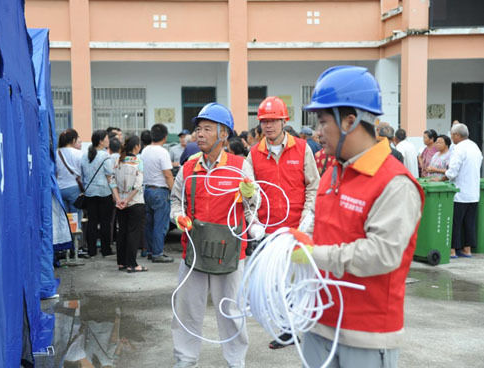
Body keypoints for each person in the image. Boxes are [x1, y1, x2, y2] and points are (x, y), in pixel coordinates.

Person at [291, 65, 424, 368]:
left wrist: (314, 255)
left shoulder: (395, 183)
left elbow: (382, 253)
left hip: (366, 335)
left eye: (323, 122)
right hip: (319, 323)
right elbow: (321, 230)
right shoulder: (332, 173)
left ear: (350, 121)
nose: (317, 132)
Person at [170, 102, 259, 368]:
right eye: (198, 128)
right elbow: (176, 202)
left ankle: (236, 361)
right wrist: (178, 217)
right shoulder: (188, 168)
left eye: (207, 129)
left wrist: (250, 198)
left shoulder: (239, 166)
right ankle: (184, 360)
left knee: (231, 311)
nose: (199, 134)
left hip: (229, 253)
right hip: (194, 252)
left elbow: (253, 206)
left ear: (223, 134)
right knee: (186, 311)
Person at [246, 96, 320, 349]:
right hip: (269, 231)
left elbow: (314, 186)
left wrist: (308, 217)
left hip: (298, 228)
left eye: (274, 121)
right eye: (265, 121)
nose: (269, 126)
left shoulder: (302, 148)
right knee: (274, 284)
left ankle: (294, 330)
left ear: (284, 121)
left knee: (300, 283)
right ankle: (286, 328)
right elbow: (248, 194)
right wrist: (253, 221)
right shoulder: (254, 154)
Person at [445, 123, 483, 258]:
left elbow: (453, 171)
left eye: (452, 134)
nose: (451, 137)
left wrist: (443, 178)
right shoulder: (475, 147)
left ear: (457, 135)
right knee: (469, 222)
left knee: (456, 222)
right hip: (473, 193)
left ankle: (452, 250)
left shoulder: (459, 148)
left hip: (459, 193)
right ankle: (467, 250)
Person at [81, 130, 119, 257]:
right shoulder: (105, 156)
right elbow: (110, 177)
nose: (109, 140)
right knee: (105, 223)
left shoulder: (85, 156)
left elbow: (82, 175)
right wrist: (115, 194)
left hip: (90, 193)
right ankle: (105, 249)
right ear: (101, 141)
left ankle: (91, 250)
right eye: (107, 138)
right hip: (104, 193)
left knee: (91, 222)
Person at [114, 135, 148, 272]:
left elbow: (112, 182)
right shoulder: (138, 161)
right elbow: (138, 185)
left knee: (122, 232)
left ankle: (121, 262)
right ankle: (132, 264)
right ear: (136, 147)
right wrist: (127, 200)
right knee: (133, 233)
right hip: (135, 202)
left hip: (119, 203)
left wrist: (119, 199)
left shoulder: (118, 160)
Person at [142, 123, 174, 263]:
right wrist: (174, 191)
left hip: (147, 190)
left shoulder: (145, 150)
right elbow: (168, 175)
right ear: (165, 137)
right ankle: (158, 253)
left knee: (150, 223)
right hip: (160, 192)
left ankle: (150, 251)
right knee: (160, 225)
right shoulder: (163, 152)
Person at [56, 129, 84, 224]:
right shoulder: (78, 153)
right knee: (75, 218)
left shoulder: (56, 153)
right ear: (73, 140)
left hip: (59, 189)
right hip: (74, 189)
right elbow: (83, 172)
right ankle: (75, 237)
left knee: (63, 218)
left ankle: (66, 238)